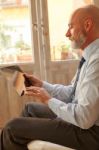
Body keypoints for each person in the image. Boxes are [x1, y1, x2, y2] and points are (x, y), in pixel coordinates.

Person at [1, 4, 99, 150]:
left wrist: (48, 100)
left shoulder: (96, 61)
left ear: (87, 25)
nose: (67, 34)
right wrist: (42, 85)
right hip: (86, 123)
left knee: (11, 129)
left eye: (71, 27)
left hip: (91, 133)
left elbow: (84, 119)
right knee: (30, 109)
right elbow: (72, 93)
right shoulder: (90, 56)